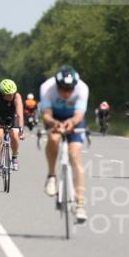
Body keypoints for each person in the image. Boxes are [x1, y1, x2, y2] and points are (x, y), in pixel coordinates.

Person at [40, 65, 90, 222]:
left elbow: (79, 115)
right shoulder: (47, 88)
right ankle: (51, 176)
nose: (67, 93)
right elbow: (46, 115)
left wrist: (71, 123)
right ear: (57, 85)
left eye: (70, 89)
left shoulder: (82, 88)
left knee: (74, 155)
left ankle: (80, 204)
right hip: (54, 117)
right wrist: (55, 123)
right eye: (63, 89)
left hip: (74, 119)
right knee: (54, 139)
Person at [0, 79, 25, 174]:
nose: (11, 96)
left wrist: (21, 130)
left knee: (14, 134)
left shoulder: (17, 96)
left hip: (12, 117)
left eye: (12, 93)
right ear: (2, 93)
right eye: (8, 94)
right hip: (0, 117)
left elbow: (19, 114)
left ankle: (14, 158)